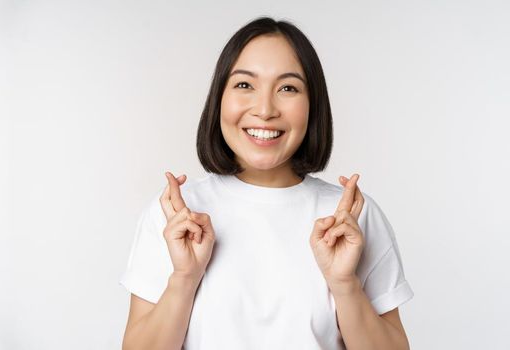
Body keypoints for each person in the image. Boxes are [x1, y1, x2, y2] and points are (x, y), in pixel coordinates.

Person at [119, 16, 413, 350]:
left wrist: (344, 284)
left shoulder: (351, 218)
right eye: (245, 85)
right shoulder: (175, 215)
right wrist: (184, 278)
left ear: (312, 105)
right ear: (219, 98)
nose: (264, 109)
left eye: (288, 88)